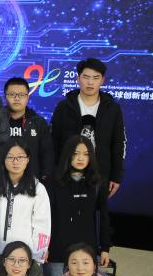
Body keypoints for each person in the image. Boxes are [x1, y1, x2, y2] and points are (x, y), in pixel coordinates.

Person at [50, 58, 126, 198]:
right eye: (86, 77)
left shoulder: (112, 109)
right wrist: (53, 173)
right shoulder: (64, 107)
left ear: (102, 80)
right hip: (67, 175)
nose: (90, 82)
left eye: (96, 78)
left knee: (96, 210)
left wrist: (116, 176)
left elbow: (118, 143)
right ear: (78, 78)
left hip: (100, 175)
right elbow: (54, 142)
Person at [44, 136, 112, 276]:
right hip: (57, 251)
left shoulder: (97, 183)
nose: (81, 158)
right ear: (68, 154)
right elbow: (46, 218)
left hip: (87, 251)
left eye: (86, 154)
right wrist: (44, 246)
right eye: (76, 153)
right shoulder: (52, 181)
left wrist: (105, 248)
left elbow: (103, 217)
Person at [0, 139, 51, 276]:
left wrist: (38, 255)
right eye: (10, 157)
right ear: (3, 159)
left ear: (28, 159)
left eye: (20, 157)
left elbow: (42, 224)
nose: (15, 161)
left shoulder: (37, 188)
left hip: (24, 260)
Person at [0, 76, 54, 181]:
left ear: (28, 97)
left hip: (30, 181)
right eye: (12, 94)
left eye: (21, 95)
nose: (17, 98)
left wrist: (44, 177)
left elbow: (47, 154)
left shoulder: (38, 122)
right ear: (5, 96)